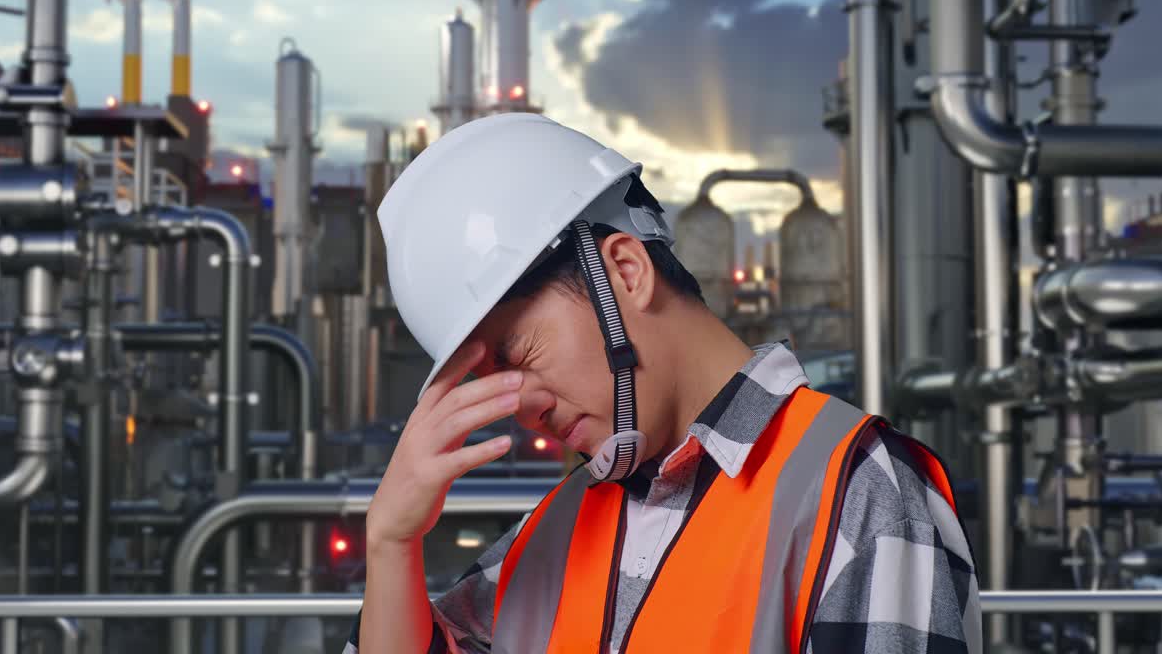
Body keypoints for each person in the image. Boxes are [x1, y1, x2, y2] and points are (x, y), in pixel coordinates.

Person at [344, 113, 981, 653]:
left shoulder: (861, 492)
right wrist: (391, 542)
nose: (523, 408)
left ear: (625, 271)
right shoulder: (560, 527)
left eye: (521, 356)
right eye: (492, 383)